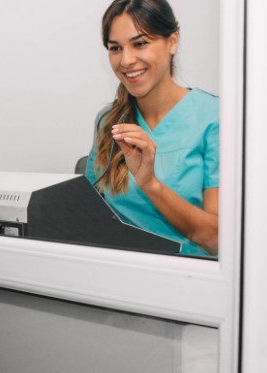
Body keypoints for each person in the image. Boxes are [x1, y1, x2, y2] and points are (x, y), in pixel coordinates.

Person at [84, 0, 219, 257]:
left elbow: (214, 240)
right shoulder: (108, 121)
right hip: (115, 275)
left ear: (172, 42)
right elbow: (88, 213)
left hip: (189, 280)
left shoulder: (214, 118)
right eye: (115, 48)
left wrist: (150, 183)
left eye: (140, 44)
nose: (126, 60)